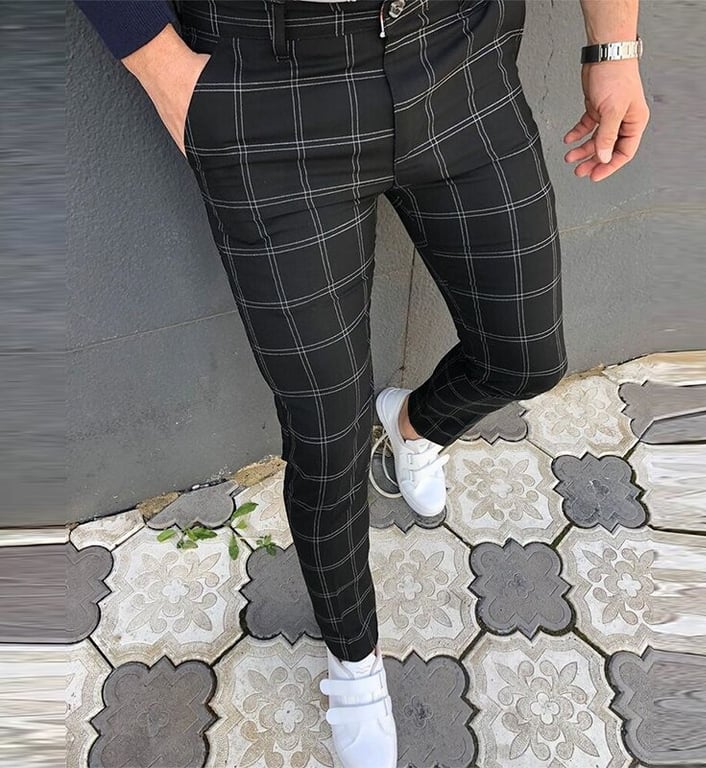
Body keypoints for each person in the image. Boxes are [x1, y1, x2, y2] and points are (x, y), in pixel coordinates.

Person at [73, 2, 649, 766]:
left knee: (526, 357)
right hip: (267, 80)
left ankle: (415, 425)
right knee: (326, 438)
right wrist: (168, 75)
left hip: (459, 54)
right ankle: (352, 659)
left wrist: (614, 45)